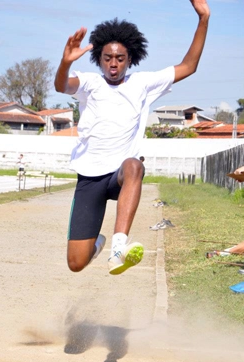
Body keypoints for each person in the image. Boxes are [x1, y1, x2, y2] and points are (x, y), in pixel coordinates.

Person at [55, 0, 210, 275]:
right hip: (89, 178)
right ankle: (99, 244)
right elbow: (62, 85)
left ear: (130, 59)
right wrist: (65, 63)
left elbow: (189, 66)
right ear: (99, 59)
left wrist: (203, 19)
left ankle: (118, 248)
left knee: (134, 166)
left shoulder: (142, 84)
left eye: (120, 58)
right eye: (107, 58)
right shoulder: (90, 84)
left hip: (120, 175)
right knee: (76, 264)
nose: (113, 65)